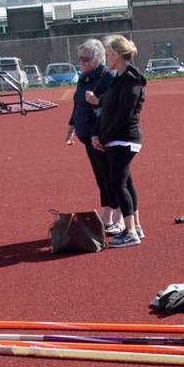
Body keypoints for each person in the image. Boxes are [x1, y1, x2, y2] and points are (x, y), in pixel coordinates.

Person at [92, 34, 146, 248]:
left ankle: (130, 231)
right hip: (116, 139)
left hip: (124, 139)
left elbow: (123, 116)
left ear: (116, 54)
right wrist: (98, 134)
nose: (105, 58)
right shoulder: (119, 79)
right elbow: (106, 111)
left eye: (107, 54)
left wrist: (103, 138)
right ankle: (136, 227)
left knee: (117, 184)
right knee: (125, 183)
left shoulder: (131, 82)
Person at [65, 38, 119, 232]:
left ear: (97, 59)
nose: (82, 62)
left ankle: (116, 217)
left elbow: (107, 109)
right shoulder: (84, 77)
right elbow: (78, 103)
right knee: (101, 177)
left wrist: (97, 133)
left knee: (111, 177)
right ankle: (107, 214)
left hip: (101, 135)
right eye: (80, 59)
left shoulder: (107, 77)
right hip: (86, 134)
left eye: (86, 59)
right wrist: (71, 126)